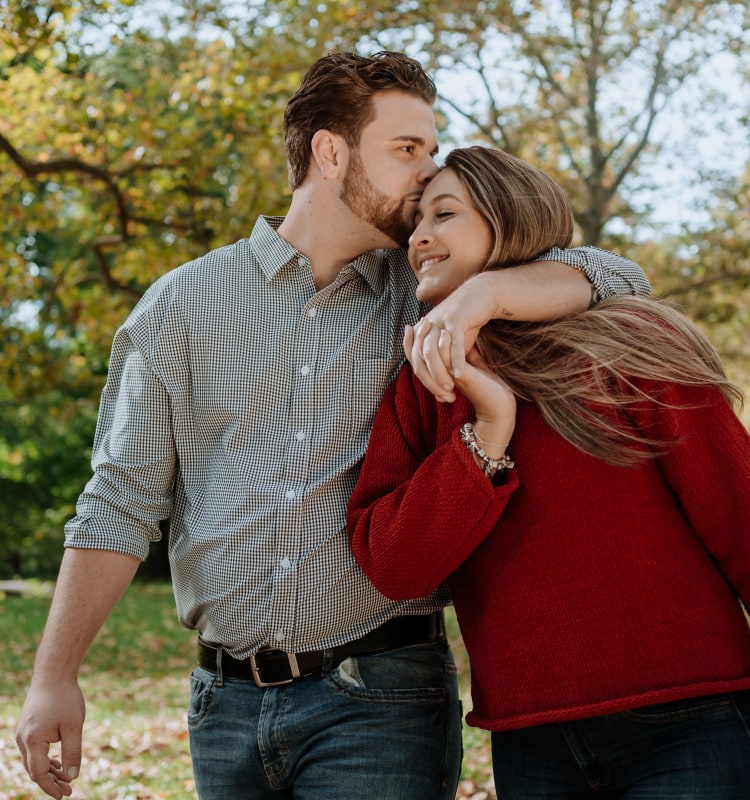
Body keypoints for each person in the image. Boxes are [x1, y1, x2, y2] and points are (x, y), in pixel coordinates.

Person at [15, 53, 650, 800]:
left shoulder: (429, 294)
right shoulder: (180, 306)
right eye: (407, 150)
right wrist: (54, 677)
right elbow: (120, 500)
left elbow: (618, 279)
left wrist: (480, 300)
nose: (425, 175)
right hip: (222, 704)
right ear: (329, 151)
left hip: (381, 696)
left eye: (430, 153)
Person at [348, 145, 750, 799]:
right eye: (414, 223)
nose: (419, 235)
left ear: (509, 219)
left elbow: (740, 512)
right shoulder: (423, 387)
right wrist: (488, 434)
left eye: (443, 213)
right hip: (532, 739)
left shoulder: (629, 339)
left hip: (691, 716)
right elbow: (393, 564)